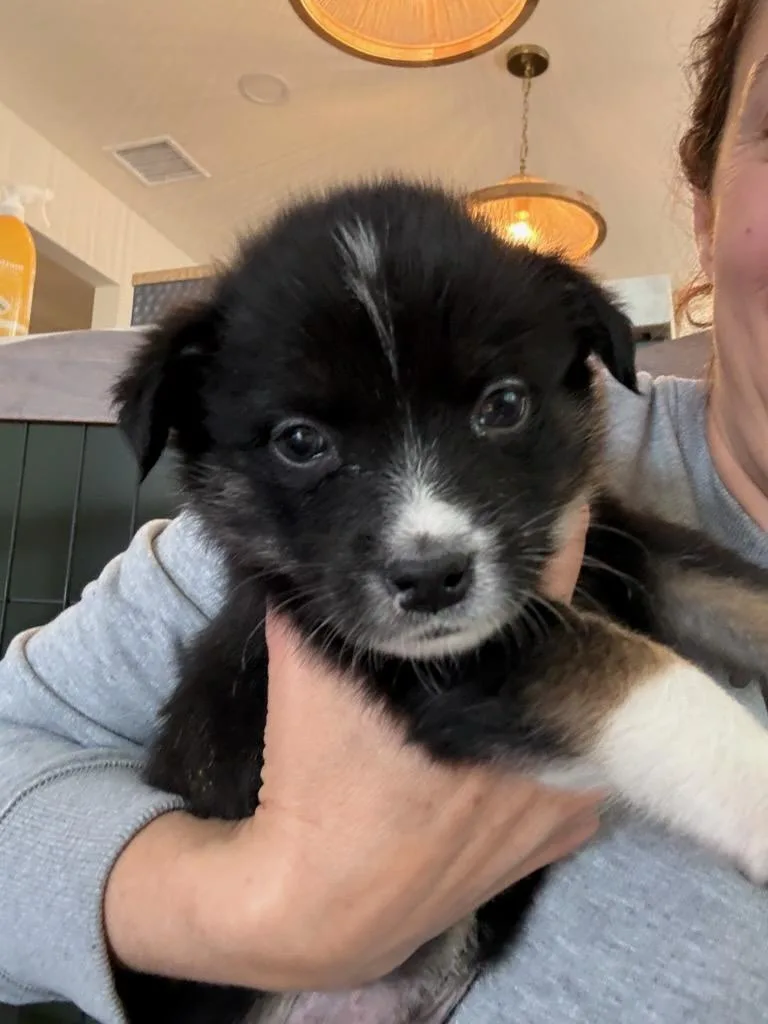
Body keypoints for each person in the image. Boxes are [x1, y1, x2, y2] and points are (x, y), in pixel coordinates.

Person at [2, 0, 768, 1020]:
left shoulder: (581, 490)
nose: (427, 528)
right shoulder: (261, 572)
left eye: (497, 407)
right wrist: (263, 910)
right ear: (705, 209)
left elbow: (664, 579)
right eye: (306, 444)